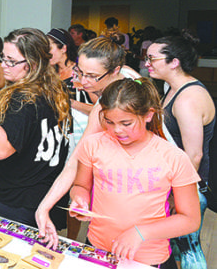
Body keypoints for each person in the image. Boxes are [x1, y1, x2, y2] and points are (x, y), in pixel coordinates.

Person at [70, 78, 200, 268]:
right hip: (98, 249)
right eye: (109, 121)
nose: (117, 130)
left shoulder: (173, 157)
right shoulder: (93, 144)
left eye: (126, 123)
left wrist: (141, 232)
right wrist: (80, 199)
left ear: (148, 115)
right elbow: (80, 186)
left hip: (148, 258)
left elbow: (190, 220)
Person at [0, 28, 71, 227]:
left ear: (33, 64)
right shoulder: (55, 88)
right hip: (40, 192)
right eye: (4, 57)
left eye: (12, 61)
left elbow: (1, 149)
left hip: (16, 198)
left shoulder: (22, 98)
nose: (4, 65)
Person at [35, 36, 140, 248]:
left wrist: (44, 206)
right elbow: (78, 158)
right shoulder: (126, 75)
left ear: (114, 70)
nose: (83, 82)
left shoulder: (109, 105)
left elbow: (76, 159)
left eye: (92, 76)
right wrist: (44, 207)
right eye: (80, 72)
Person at [146, 32, 214, 269]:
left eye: (152, 59)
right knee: (175, 248)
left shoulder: (189, 98)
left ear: (174, 62)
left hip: (189, 187)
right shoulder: (172, 88)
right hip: (176, 184)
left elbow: (194, 154)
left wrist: (178, 193)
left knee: (189, 249)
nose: (147, 64)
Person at [47, 27, 93, 239]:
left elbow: (99, 110)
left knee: (76, 185)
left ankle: (72, 240)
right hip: (56, 135)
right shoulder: (50, 74)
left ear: (63, 48)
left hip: (81, 134)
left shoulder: (81, 73)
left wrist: (71, 102)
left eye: (49, 49)